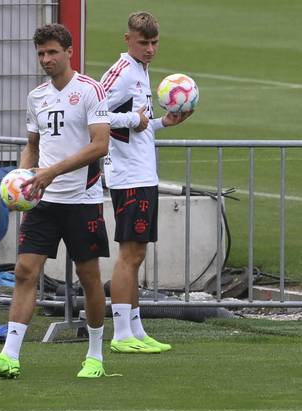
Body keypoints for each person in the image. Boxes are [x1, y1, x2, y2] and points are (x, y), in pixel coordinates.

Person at [0, 23, 113, 379]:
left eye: (52, 52)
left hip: (82, 201)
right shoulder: (36, 97)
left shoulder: (91, 91)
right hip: (43, 203)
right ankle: (9, 355)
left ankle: (95, 356)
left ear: (69, 52)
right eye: (41, 54)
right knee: (24, 272)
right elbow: (32, 146)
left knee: (89, 277)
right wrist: (21, 181)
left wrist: (50, 173)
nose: (46, 59)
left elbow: (100, 145)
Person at [101, 11, 193, 354]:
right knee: (129, 253)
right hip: (128, 176)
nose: (150, 49)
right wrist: (133, 119)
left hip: (141, 172)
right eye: (144, 43)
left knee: (136, 254)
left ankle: (136, 330)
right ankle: (121, 334)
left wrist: (162, 123)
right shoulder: (123, 72)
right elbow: (93, 114)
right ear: (128, 40)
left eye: (154, 43)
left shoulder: (140, 71)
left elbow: (138, 127)